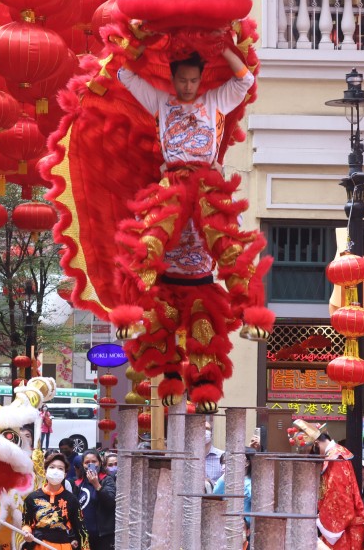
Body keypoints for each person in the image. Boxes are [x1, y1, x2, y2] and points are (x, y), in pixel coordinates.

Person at [112, 47, 268, 411]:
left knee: (230, 253)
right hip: (171, 187)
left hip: (207, 191)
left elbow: (244, 79)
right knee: (146, 245)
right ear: (172, 78)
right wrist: (138, 44)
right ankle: (139, 326)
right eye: (181, 79)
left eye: (192, 80)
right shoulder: (161, 102)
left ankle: (250, 316)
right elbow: (125, 75)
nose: (186, 86)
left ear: (201, 79)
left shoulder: (216, 99)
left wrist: (223, 47)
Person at [294, 421, 364, 549]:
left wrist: (320, 519)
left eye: (310, 452)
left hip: (342, 530)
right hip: (342, 528)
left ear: (315, 444)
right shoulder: (333, 455)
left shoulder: (335, 458)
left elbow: (339, 499)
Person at [22, 453, 87, 550]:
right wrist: (26, 533)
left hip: (63, 546)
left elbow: (81, 529)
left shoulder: (71, 499)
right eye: (52, 467)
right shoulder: (32, 498)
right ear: (45, 471)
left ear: (65, 474)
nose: (56, 471)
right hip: (38, 545)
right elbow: (26, 523)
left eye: (60, 468)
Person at [75, 450, 116, 550]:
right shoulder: (78, 483)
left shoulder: (107, 480)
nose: (91, 465)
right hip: (84, 536)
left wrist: (96, 485)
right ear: (82, 465)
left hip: (103, 536)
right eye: (87, 462)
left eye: (94, 462)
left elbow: (111, 502)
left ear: (100, 463)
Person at [203, 419, 225, 489]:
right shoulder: (187, 456)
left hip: (216, 498)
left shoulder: (222, 456)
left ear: (211, 434)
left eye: (207, 429)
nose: (204, 431)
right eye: (200, 428)